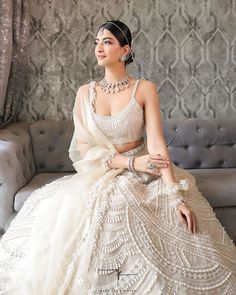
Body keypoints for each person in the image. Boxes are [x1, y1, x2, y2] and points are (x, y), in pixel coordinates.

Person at [0, 20, 236, 295]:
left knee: (165, 214)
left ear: (125, 50)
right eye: (97, 42)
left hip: (144, 172)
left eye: (108, 42)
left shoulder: (145, 88)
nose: (99, 48)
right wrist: (132, 162)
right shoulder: (84, 93)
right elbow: (84, 150)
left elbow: (157, 144)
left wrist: (176, 197)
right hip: (103, 172)